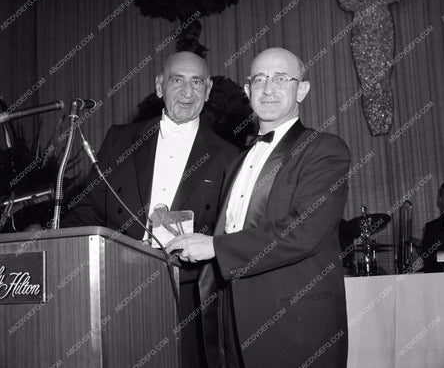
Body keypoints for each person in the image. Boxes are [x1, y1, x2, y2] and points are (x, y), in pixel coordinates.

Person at [167, 48, 350, 368]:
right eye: (260, 79)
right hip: (230, 327)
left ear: (302, 89)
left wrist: (214, 246)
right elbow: (235, 232)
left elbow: (303, 232)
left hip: (295, 326)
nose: (268, 88)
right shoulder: (236, 161)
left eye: (281, 78)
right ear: (248, 91)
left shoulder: (324, 150)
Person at [62, 51, 238, 368]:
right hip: (117, 288)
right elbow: (87, 208)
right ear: (159, 86)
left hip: (189, 299)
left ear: (208, 89)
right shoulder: (119, 140)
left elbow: (232, 234)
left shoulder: (230, 156)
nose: (187, 92)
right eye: (177, 80)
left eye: (197, 82)